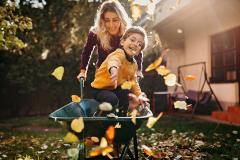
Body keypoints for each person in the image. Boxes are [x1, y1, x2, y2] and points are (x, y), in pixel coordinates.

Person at [77, 0, 143, 81]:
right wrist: (83, 71)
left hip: (124, 74)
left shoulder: (128, 33)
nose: (111, 25)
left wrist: (139, 70)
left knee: (126, 93)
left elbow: (137, 50)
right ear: (102, 20)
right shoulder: (96, 33)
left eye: (115, 20)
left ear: (121, 19)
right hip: (103, 74)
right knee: (107, 94)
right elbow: (87, 51)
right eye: (107, 20)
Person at [91, 26, 148, 116]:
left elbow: (133, 82)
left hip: (114, 89)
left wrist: (139, 96)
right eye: (132, 40)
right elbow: (114, 61)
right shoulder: (119, 53)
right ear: (122, 42)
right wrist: (113, 69)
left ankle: (122, 117)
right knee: (112, 99)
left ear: (139, 52)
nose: (136, 44)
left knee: (127, 94)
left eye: (139, 44)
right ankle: (99, 117)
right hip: (100, 89)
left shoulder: (134, 64)